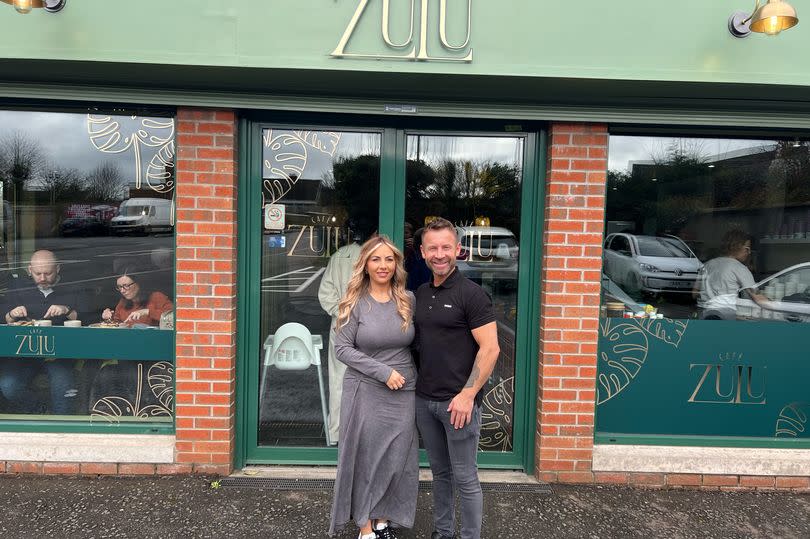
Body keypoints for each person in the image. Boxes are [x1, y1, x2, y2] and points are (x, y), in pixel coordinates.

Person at [413, 217, 500, 539]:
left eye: (446, 247)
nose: (439, 254)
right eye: (432, 248)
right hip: (425, 402)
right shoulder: (421, 293)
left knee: (465, 477)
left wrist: (467, 394)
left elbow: (490, 349)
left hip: (458, 404)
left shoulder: (472, 295)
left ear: (458, 250)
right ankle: (443, 532)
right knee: (440, 474)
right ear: (422, 252)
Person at [328, 235, 418, 539]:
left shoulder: (407, 300)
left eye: (389, 259)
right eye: (376, 259)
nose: (383, 266)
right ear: (365, 264)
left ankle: (382, 518)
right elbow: (343, 349)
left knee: (396, 457)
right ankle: (365, 526)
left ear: (397, 264)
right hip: (366, 388)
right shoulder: (354, 302)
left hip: (404, 390)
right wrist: (383, 372)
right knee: (367, 457)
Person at [1, 250, 79, 414]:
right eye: (37, 274)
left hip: (59, 354)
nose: (42, 278)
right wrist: (10, 315)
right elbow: (3, 315)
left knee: (63, 386)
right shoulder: (18, 287)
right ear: (29, 270)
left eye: (48, 273)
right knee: (9, 386)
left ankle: (61, 428)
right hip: (23, 354)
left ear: (58, 268)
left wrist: (67, 310)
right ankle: (39, 410)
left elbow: (91, 315)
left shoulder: (73, 286)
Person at [318, 237, 363, 445]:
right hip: (373, 325)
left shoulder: (339, 256)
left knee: (339, 380)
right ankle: (364, 433)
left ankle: (337, 433)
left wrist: (342, 314)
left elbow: (325, 293)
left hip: (342, 325)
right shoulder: (379, 255)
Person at [694, 229, 767, 320]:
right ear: (735, 247)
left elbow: (694, 293)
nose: (749, 253)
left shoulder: (707, 265)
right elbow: (758, 298)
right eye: (747, 248)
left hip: (704, 315)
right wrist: (779, 305)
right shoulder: (739, 268)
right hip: (726, 317)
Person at [102, 271, 173, 327]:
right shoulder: (123, 302)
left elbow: (174, 318)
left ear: (139, 283)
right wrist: (109, 318)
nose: (122, 290)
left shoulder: (157, 297)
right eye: (119, 287)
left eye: (126, 286)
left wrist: (147, 312)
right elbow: (120, 325)